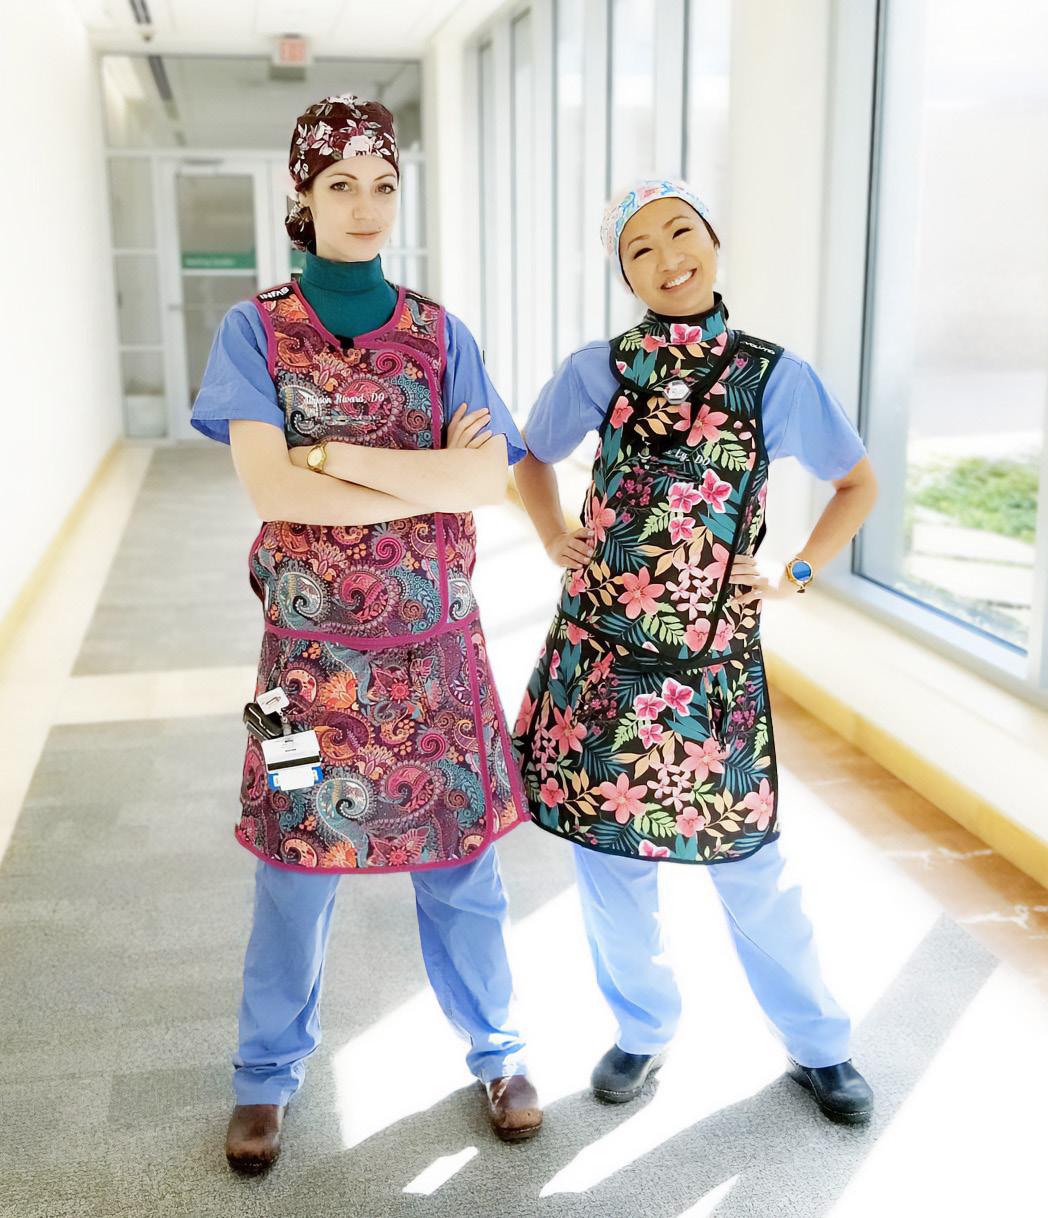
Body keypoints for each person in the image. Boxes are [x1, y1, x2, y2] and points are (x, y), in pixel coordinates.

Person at [191, 95, 542, 1174]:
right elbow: (270, 490)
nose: (365, 205)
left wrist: (333, 458)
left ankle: (499, 1054)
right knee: (293, 871)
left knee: (463, 867)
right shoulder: (255, 329)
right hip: (301, 670)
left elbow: (486, 481)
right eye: (340, 184)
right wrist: (423, 473)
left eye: (383, 184)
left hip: (439, 656)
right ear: (301, 194)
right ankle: (264, 1078)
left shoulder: (440, 334)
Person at [511, 177, 878, 1123]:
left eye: (681, 233)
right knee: (609, 859)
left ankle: (820, 1045)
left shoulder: (774, 375)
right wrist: (554, 537)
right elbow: (528, 457)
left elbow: (857, 483)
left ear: (713, 239)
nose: (668, 258)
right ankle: (642, 1031)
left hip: (712, 665)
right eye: (640, 248)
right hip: (601, 655)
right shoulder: (598, 370)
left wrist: (794, 572)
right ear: (623, 273)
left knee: (748, 864)